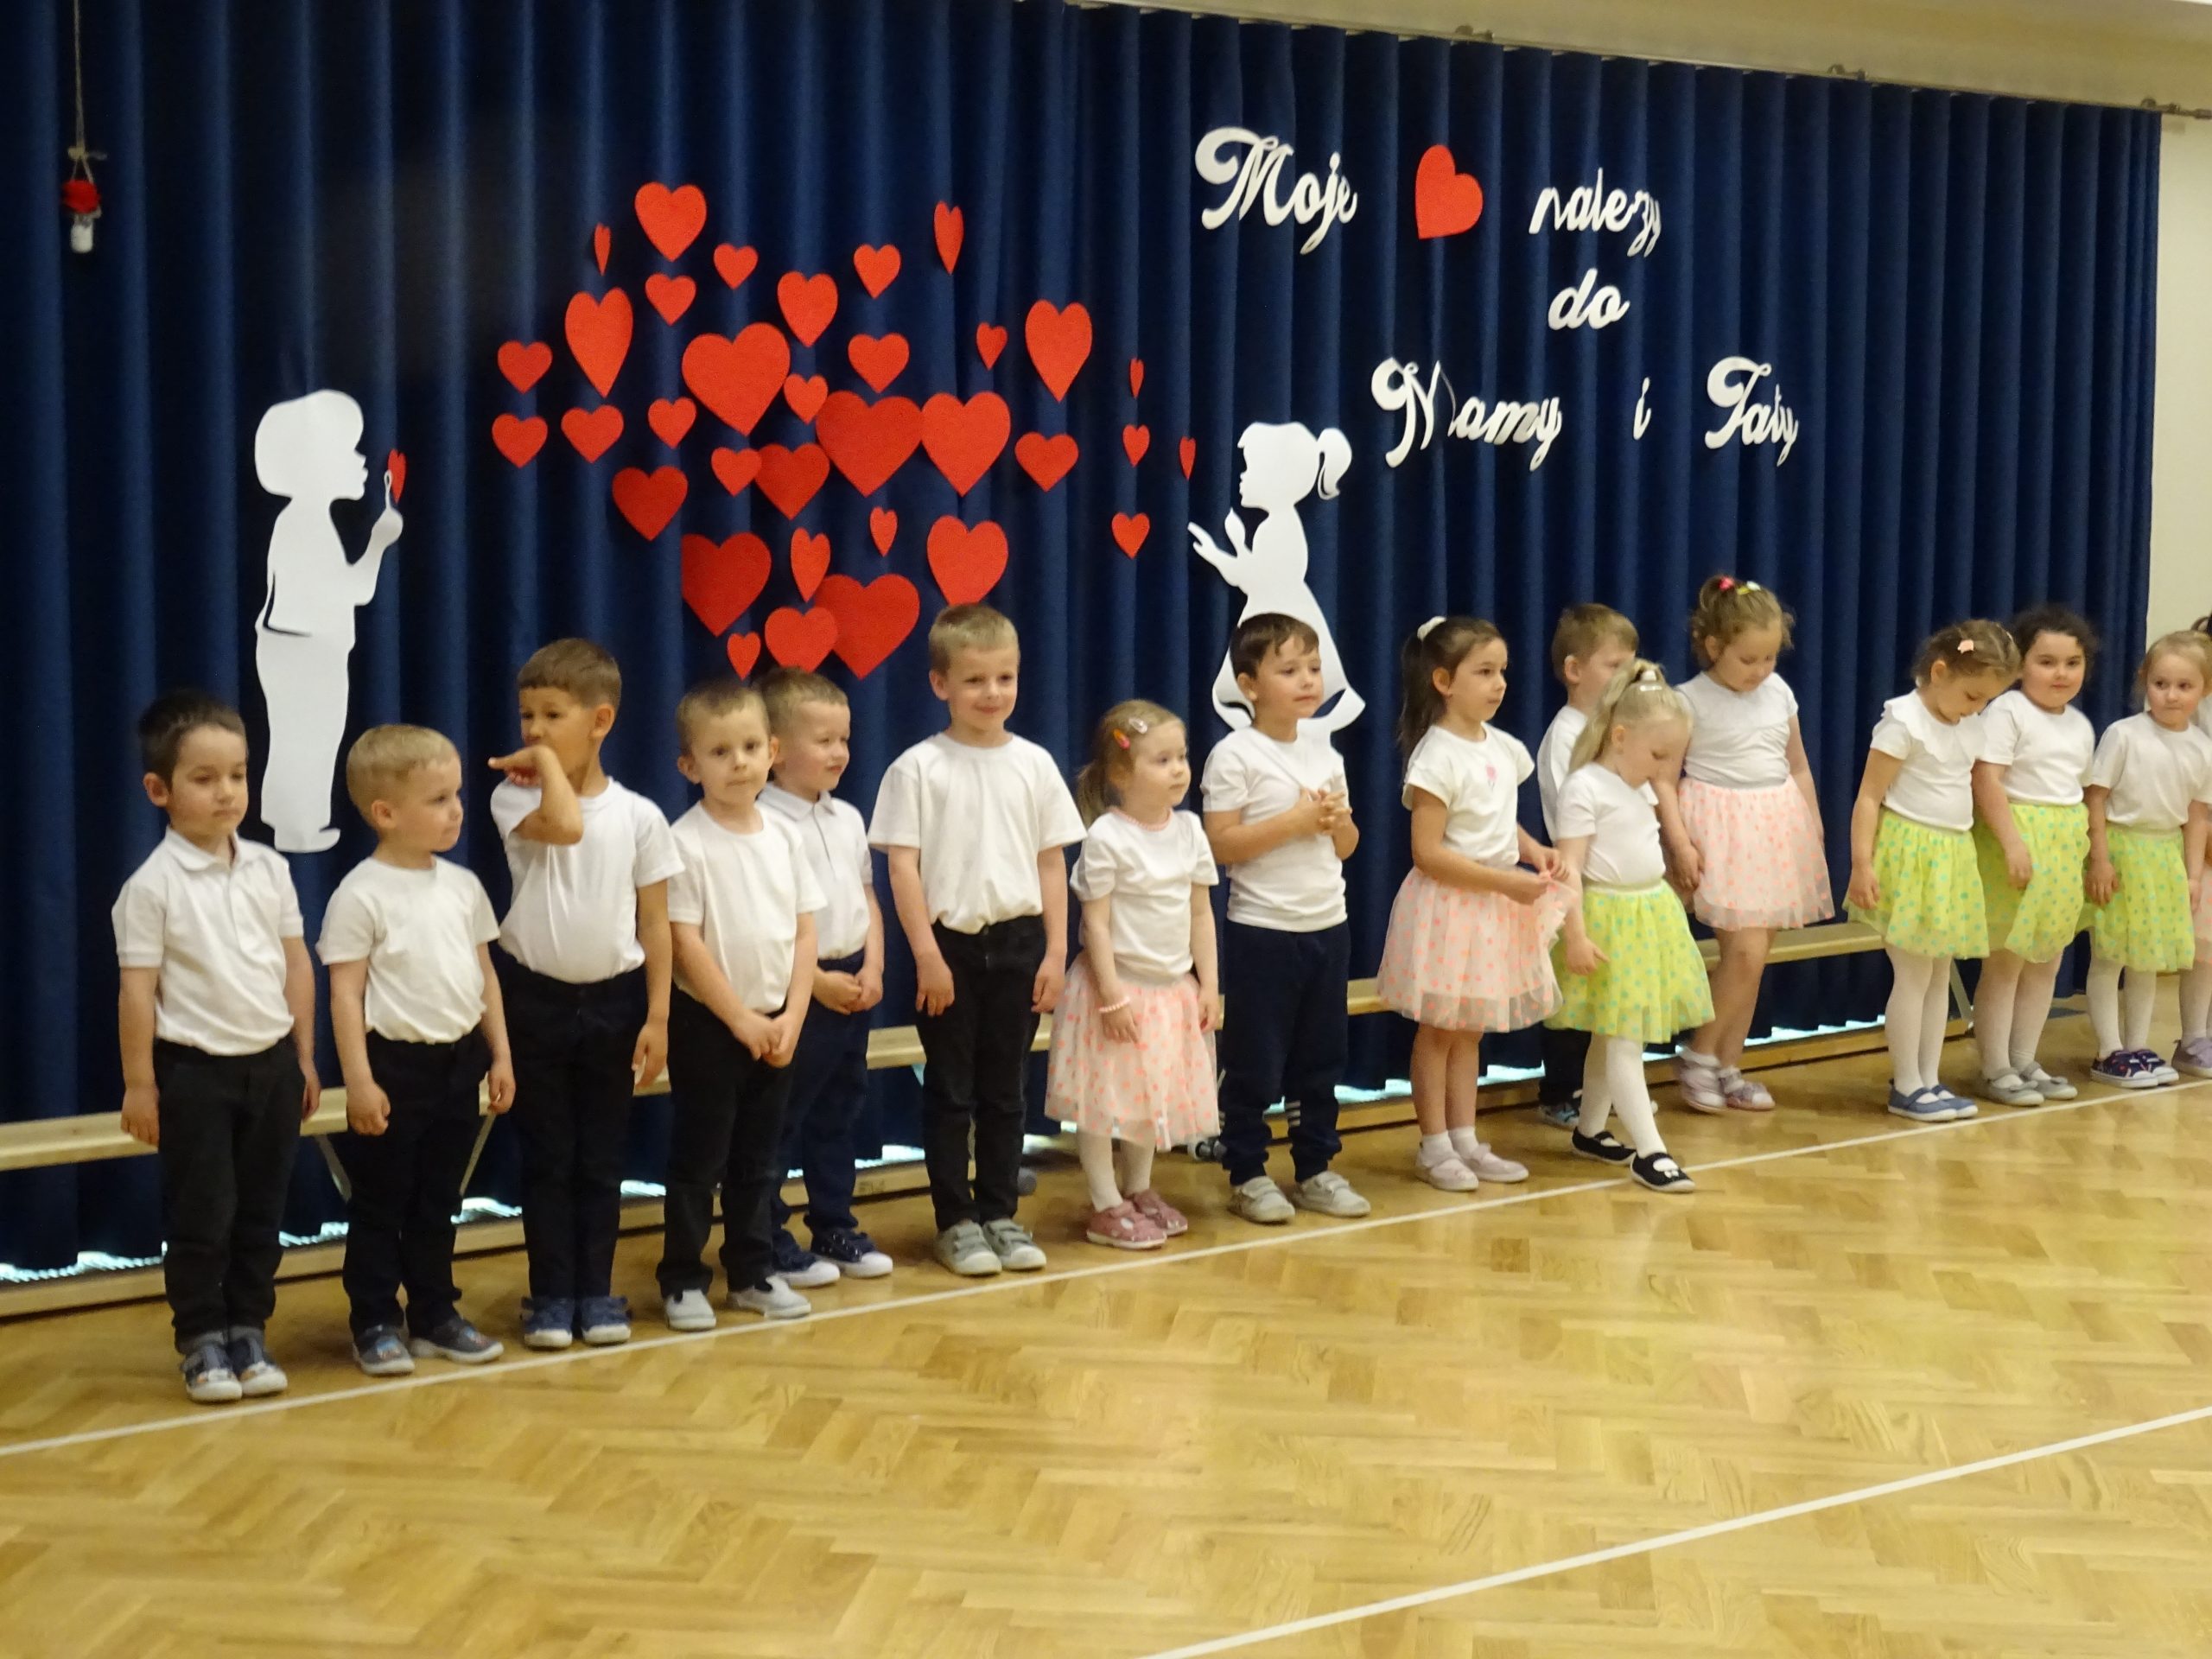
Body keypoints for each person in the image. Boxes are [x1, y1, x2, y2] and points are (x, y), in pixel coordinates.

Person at [113, 691, 318, 1402]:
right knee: (204, 1213)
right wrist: (140, 1083)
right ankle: (202, 1340)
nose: (227, 791)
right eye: (204, 779)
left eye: (237, 774)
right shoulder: (151, 887)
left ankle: (248, 1331)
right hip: (194, 1073)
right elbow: (137, 990)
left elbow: (295, 963)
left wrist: (303, 1056)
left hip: (272, 1066)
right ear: (160, 790)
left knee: (262, 1210)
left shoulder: (268, 868)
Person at [870, 605, 1085, 1276]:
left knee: (1006, 1090)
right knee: (951, 1091)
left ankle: (1000, 1214)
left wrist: (1056, 951)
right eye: (974, 680)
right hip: (949, 950)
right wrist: (927, 957)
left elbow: (1051, 862)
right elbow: (902, 869)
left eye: (1005, 678)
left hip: (1020, 945)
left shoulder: (1035, 764)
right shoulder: (917, 768)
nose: (992, 693)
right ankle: (956, 1221)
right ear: (940, 684)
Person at [489, 639, 682, 1349]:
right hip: (534, 999)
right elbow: (566, 826)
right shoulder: (514, 795)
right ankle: (549, 1294)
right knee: (547, 1157)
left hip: (614, 1002)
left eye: (552, 715)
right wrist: (544, 765)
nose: (534, 730)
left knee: (601, 1157)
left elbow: (655, 922)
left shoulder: (640, 816)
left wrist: (658, 1015)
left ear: (600, 721)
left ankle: (595, 1292)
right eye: (526, 716)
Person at [320, 725, 512, 1375]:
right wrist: (360, 1081)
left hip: (459, 1064)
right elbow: (346, 994)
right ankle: (375, 1318)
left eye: (456, 795)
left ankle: (434, 1313)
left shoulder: (463, 887)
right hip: (393, 1068)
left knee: (439, 1199)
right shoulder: (360, 894)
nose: (456, 810)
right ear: (385, 813)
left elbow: (486, 977)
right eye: (438, 799)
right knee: (382, 1201)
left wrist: (501, 1055)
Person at [658, 678, 824, 1328]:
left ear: (773, 751)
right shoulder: (684, 842)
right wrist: (739, 1019)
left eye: (751, 747)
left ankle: (752, 1272)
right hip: (711, 1025)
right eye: (720, 752)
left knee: (761, 1158)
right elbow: (685, 943)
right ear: (689, 765)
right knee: (700, 1159)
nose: (739, 763)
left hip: (778, 1021)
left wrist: (792, 1016)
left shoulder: (785, 836)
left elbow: (805, 931)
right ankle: (682, 1280)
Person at [1374, 616, 1560, 1192]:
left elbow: (1499, 822)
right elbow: (1428, 852)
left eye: (1502, 671)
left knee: (1471, 1030)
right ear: (1444, 681)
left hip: (1491, 907)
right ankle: (1434, 1146)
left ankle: (1465, 1138)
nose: (1499, 683)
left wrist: (1533, 851)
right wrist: (1504, 881)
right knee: (1440, 1032)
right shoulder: (1436, 756)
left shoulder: (1502, 747)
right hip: (1451, 908)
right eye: (1484, 672)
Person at [1202, 612, 1368, 1224]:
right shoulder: (1234, 755)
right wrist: (1293, 823)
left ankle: (1316, 1168)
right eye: (1289, 669)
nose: (1307, 680)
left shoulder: (1324, 752)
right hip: (1263, 931)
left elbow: (1347, 846)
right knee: (1255, 1060)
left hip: (1328, 924)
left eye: (1313, 668)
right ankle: (1247, 1173)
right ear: (1249, 684)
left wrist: (1336, 823)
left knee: (1320, 1059)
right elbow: (1220, 845)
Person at [1046, 701, 1221, 1249]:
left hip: (1170, 992)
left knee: (1150, 1094)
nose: (1178, 769)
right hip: (1116, 990)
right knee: (1102, 1102)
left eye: (1181, 757)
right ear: (1121, 774)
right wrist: (1112, 996)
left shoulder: (1190, 830)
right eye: (1162, 760)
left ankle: (1139, 1187)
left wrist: (1209, 985)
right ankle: (1105, 1202)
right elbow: (1095, 924)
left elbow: (1200, 913)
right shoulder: (1107, 837)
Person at [1662, 577, 1832, 1115]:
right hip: (1721, 828)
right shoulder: (1688, 700)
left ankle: (1728, 1065)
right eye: (1748, 659)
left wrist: (1812, 821)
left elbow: (1797, 764)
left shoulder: (1778, 693)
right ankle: (1698, 1055)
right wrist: (1680, 843)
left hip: (1776, 825)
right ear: (1713, 646)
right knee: (1744, 952)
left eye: (1769, 658)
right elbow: (1663, 779)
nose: (1761, 670)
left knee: (1757, 959)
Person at [1846, 620, 2022, 1121]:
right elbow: (1869, 797)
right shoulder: (1904, 722)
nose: (1977, 708)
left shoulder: (1970, 724)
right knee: (1913, 974)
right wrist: (1862, 864)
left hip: (1952, 854)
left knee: (1939, 974)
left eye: (1986, 701)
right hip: (1910, 853)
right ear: (1939, 672)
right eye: (1972, 696)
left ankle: (1928, 1079)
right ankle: (1906, 1083)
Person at [1548, 662, 1710, 1194]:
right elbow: (1569, 870)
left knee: (1613, 1031)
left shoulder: (1640, 784)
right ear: (1619, 737)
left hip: (1649, 914)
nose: (1666, 768)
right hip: (1608, 921)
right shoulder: (1585, 787)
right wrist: (1575, 934)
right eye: (1658, 755)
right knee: (1624, 1039)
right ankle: (1651, 1151)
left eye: (1674, 757)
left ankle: (1590, 1129)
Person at [759, 669, 893, 1282]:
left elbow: (866, 895)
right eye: (823, 741)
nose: (840, 752)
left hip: (852, 981)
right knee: (779, 1118)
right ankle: (766, 1236)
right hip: (794, 989)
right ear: (776, 750)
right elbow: (765, 924)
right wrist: (814, 981)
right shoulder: (761, 823)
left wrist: (874, 965)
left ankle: (834, 1223)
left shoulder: (846, 818)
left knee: (839, 1110)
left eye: (844, 739)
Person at [1967, 607, 2098, 1105]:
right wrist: (2012, 843)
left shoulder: (2080, 724)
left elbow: (2082, 792)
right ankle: (1995, 1067)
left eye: (2072, 663)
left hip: (2064, 846)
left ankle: (2024, 1059)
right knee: (2007, 961)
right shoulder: (2008, 711)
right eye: (2047, 662)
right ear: (2021, 665)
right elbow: (1986, 779)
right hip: (2018, 844)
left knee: (2046, 960)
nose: (2061, 673)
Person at [2083, 631, 2212, 1086]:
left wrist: (2191, 876)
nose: (2171, 695)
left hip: (2165, 855)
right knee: (2111, 955)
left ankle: (2137, 1046)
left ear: (2204, 690)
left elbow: (2197, 817)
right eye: (2161, 684)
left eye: (2184, 686)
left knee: (2146, 958)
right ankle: (2108, 1049)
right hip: (2122, 849)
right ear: (2145, 681)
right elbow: (2096, 798)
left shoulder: (2202, 747)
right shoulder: (2124, 735)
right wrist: (2100, 859)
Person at [1533, 604, 1639, 1128]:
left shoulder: (1614, 733)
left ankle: (1603, 1091)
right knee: (1576, 993)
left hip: (1617, 886)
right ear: (1574, 670)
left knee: (1607, 993)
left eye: (1631, 667)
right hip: (1582, 883)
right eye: (1614, 666)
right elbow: (1570, 817)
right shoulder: (1567, 737)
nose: (1626, 678)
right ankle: (1561, 1092)